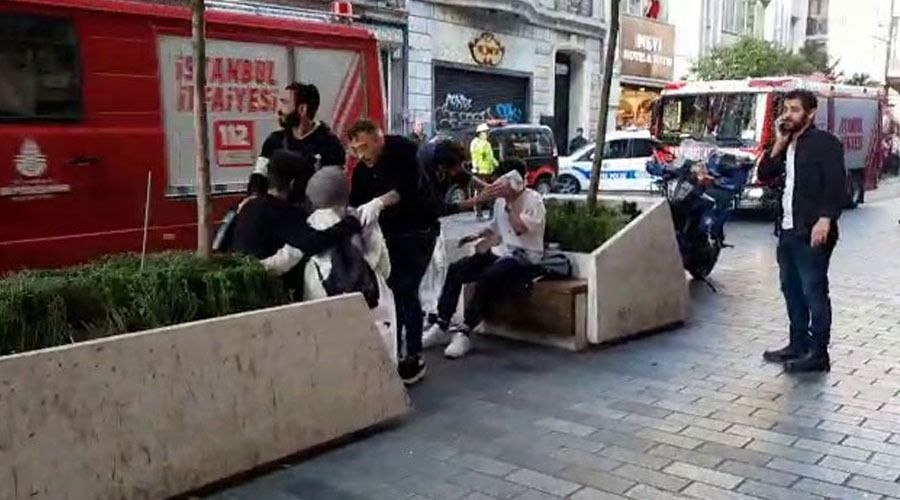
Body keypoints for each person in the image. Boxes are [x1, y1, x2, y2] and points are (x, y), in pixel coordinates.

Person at [348, 119, 443, 385]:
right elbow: (355, 203)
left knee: (406, 289)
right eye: (355, 149)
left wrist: (379, 202)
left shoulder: (403, 151)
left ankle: (413, 355)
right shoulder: (361, 170)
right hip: (389, 234)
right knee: (392, 290)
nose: (361, 154)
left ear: (379, 139)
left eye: (365, 147)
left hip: (418, 229)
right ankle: (395, 350)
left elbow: (405, 189)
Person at [758, 89, 846, 374]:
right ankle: (798, 345)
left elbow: (836, 184)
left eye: (795, 109)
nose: (788, 114)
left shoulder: (825, 143)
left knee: (813, 291)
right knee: (791, 289)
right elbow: (765, 174)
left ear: (811, 113)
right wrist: (779, 142)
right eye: (786, 109)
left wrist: (826, 219)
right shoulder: (789, 143)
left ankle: (818, 354)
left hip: (812, 231)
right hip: (788, 229)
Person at [423, 158, 546, 359]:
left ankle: (465, 330)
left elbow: (519, 229)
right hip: (502, 252)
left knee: (489, 277)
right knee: (458, 268)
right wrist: (477, 235)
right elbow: (496, 228)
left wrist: (510, 203)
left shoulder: (534, 201)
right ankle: (442, 322)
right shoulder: (498, 202)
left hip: (525, 257)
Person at [301, 166, 397, 364]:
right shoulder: (363, 217)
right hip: (371, 297)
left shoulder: (307, 225)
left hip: (324, 297)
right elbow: (385, 267)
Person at [232, 150, 361, 295]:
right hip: (271, 291)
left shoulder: (249, 206)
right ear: (293, 184)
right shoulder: (281, 211)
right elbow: (312, 243)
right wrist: (349, 224)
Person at [248, 82, 346, 194]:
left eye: (284, 102)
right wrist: (253, 198)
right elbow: (259, 174)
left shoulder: (330, 145)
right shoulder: (274, 141)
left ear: (302, 109)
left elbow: (333, 189)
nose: (278, 110)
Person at [470, 123, 499, 219]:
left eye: (487, 132)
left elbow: (490, 157)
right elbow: (476, 157)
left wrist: (497, 164)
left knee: (491, 193)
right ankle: (479, 213)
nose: (487, 134)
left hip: (488, 172)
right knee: (481, 193)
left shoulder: (487, 143)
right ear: (480, 133)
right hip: (480, 172)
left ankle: (491, 212)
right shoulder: (477, 143)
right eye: (485, 132)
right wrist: (476, 167)